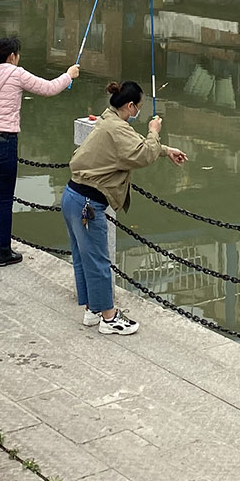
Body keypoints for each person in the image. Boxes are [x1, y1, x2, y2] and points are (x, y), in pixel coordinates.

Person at [64, 80, 186, 335]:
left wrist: (165, 150)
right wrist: (154, 130)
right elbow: (141, 154)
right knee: (98, 260)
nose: (140, 112)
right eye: (139, 107)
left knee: (83, 258)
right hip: (88, 203)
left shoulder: (109, 119)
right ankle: (109, 318)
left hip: (73, 195)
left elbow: (135, 145)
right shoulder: (118, 129)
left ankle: (92, 309)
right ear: (130, 106)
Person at [0, 37, 79, 267]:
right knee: (5, 200)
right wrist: (69, 75)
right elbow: (48, 88)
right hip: (3, 142)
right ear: (13, 56)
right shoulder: (16, 74)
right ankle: (4, 252)